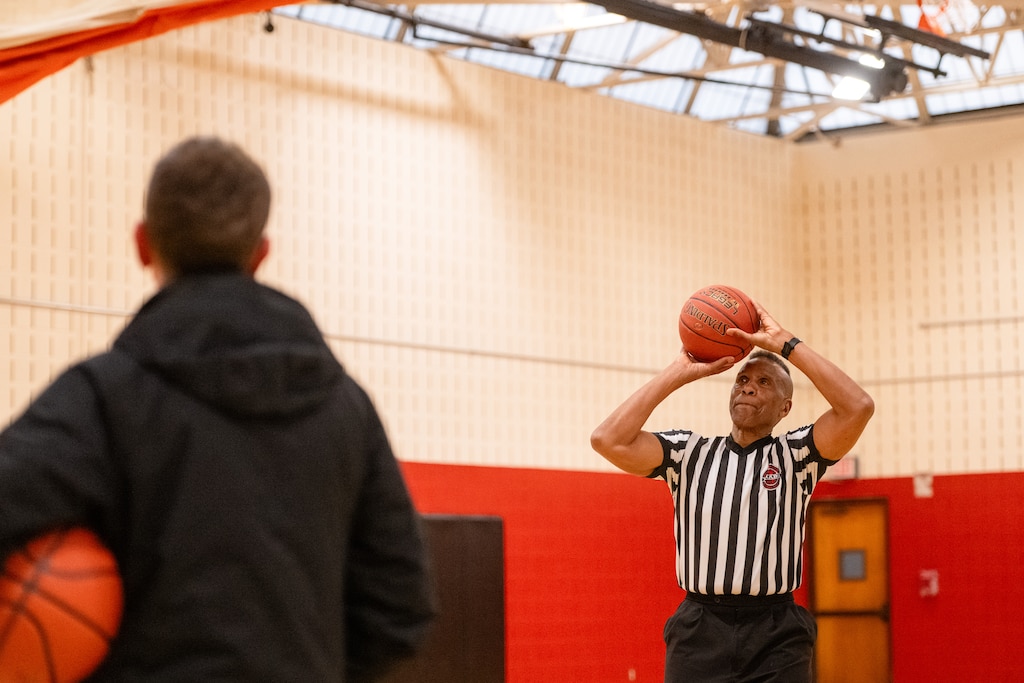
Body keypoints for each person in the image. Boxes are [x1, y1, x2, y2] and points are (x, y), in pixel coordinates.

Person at [0, 137, 435, 681]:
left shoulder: (101, 397)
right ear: (261, 252)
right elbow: (401, 605)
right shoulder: (347, 407)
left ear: (142, 243)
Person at [591, 299, 874, 683]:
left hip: (776, 631)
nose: (748, 388)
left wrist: (784, 343)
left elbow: (857, 406)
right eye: (742, 380)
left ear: (785, 407)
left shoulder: (796, 455)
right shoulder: (688, 453)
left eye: (763, 382)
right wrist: (680, 371)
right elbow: (608, 439)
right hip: (700, 628)